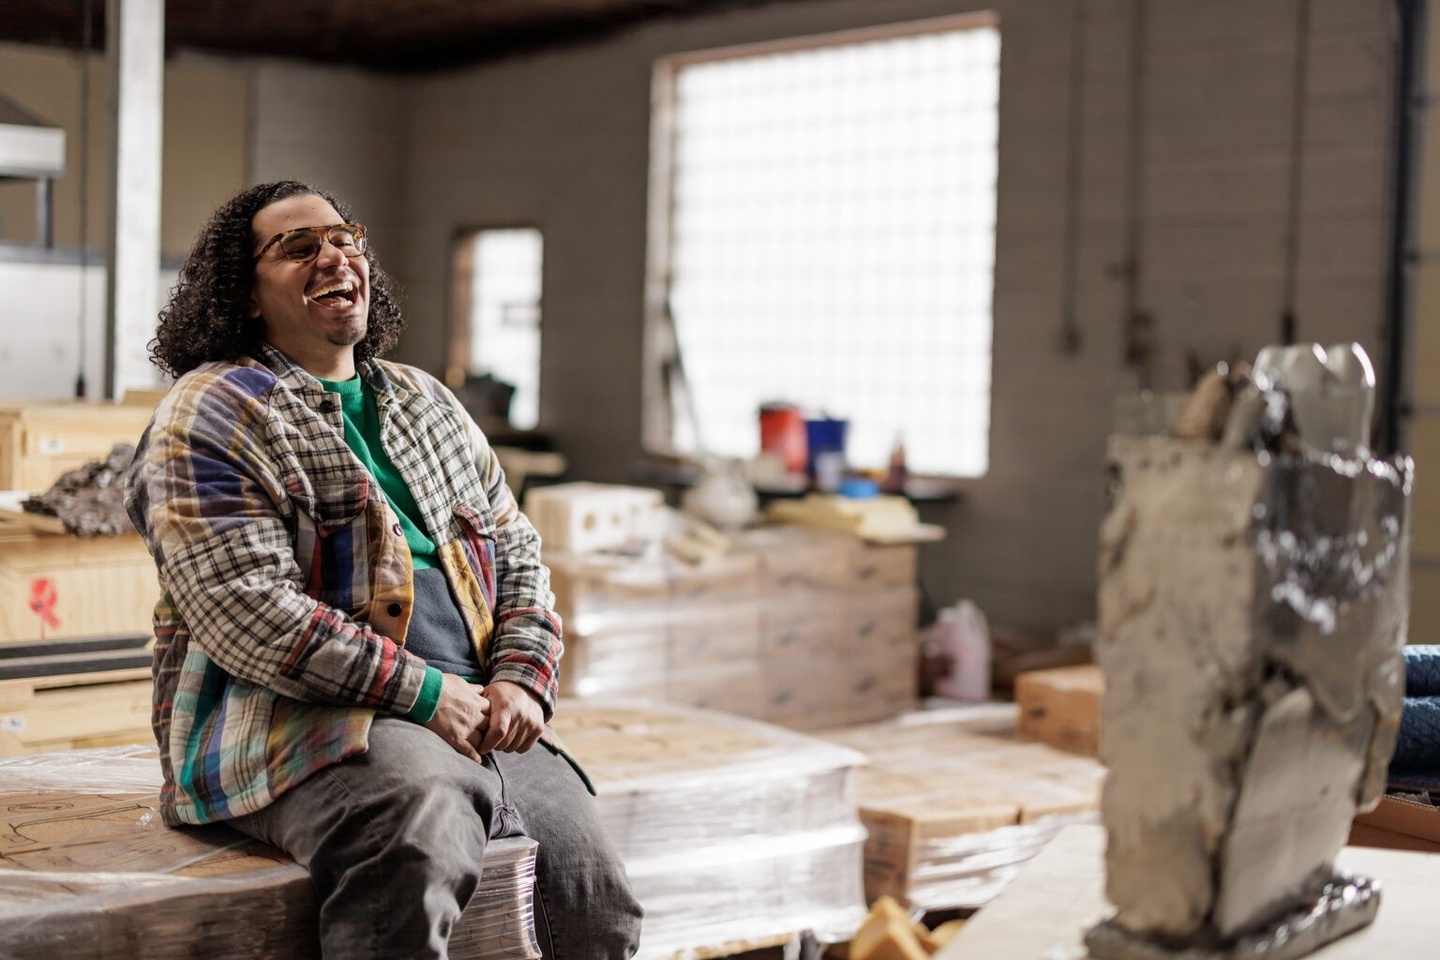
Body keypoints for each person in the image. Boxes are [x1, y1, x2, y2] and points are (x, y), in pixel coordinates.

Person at [124, 180, 643, 959]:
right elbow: (247, 611)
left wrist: (523, 676)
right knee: (418, 825)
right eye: (299, 247)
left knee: (593, 897)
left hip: (475, 709)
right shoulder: (213, 410)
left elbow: (517, 550)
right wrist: (427, 694)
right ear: (247, 295)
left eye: (345, 238)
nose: (334, 255)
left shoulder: (424, 400)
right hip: (298, 718)